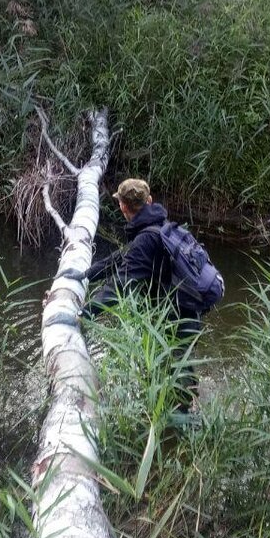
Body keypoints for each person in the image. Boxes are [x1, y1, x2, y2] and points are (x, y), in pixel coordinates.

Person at [81, 178, 203, 415]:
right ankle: (177, 427)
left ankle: (181, 430)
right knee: (174, 375)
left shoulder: (146, 238)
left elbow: (120, 285)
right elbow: (121, 257)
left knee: (175, 383)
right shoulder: (161, 227)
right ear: (149, 201)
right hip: (189, 313)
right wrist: (86, 274)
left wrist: (83, 315)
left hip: (173, 322)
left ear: (122, 207)